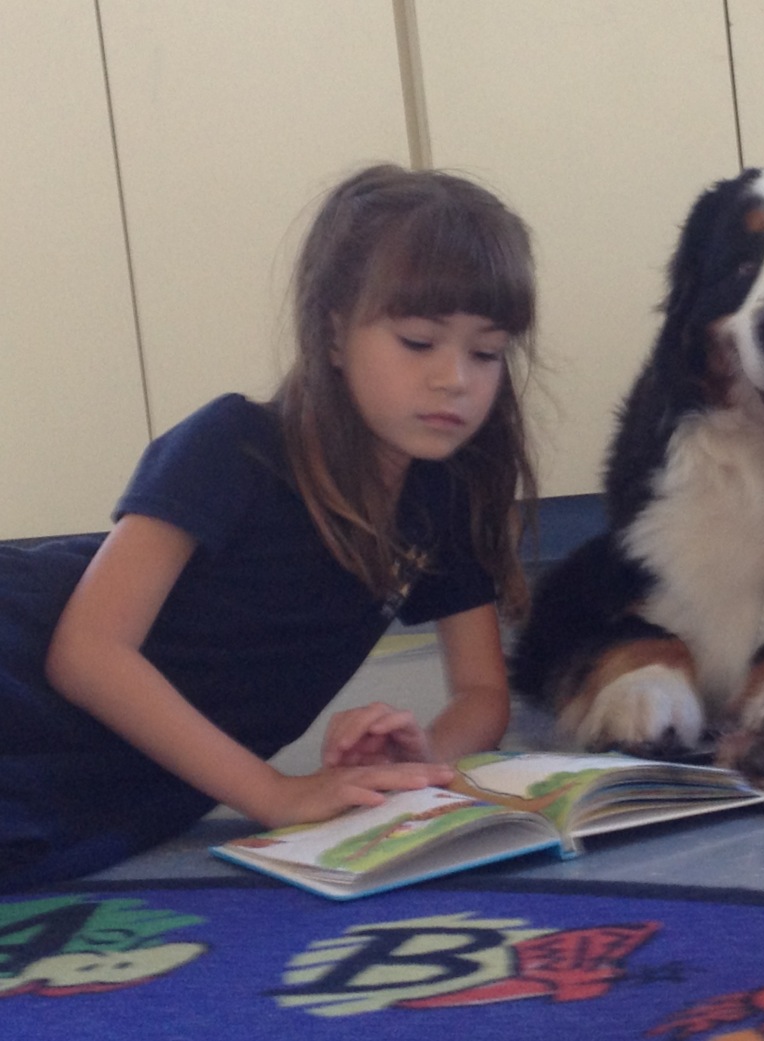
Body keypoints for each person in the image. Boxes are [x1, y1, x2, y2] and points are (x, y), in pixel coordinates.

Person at [0, 163, 539, 891]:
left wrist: (413, 765)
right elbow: (89, 651)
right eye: (418, 341)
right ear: (333, 331)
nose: (456, 379)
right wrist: (274, 792)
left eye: (486, 352)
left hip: (120, 771)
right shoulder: (233, 444)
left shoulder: (441, 494)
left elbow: (482, 693)